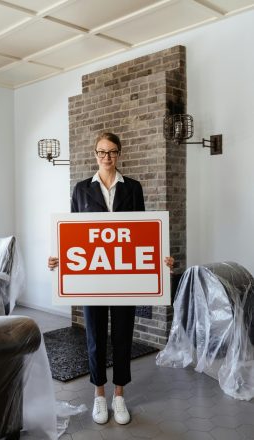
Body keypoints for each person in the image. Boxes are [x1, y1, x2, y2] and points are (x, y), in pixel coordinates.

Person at [48, 132, 174, 425]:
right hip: (92, 279)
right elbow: (74, 234)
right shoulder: (81, 190)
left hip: (124, 279)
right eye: (101, 152)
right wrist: (59, 259)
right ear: (95, 154)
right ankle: (99, 395)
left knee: (121, 336)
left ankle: (119, 396)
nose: (107, 157)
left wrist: (160, 258)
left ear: (119, 154)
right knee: (94, 338)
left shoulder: (133, 188)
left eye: (112, 152)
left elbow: (142, 233)